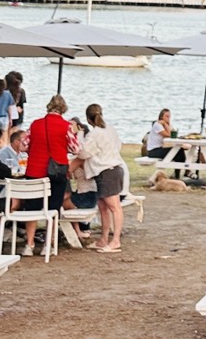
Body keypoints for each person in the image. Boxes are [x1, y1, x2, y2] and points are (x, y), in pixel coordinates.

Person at [21, 93, 71, 257]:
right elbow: (75, 148)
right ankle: (48, 244)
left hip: (35, 170)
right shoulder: (66, 126)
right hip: (57, 170)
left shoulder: (35, 124)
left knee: (32, 207)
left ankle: (29, 244)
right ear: (63, 109)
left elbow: (24, 145)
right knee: (53, 207)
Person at [78, 103, 127, 253]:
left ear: (88, 119)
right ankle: (103, 239)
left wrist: (79, 137)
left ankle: (116, 240)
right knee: (103, 206)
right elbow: (118, 145)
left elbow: (84, 153)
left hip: (108, 171)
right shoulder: (110, 129)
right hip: (109, 169)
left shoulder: (94, 134)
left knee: (114, 207)